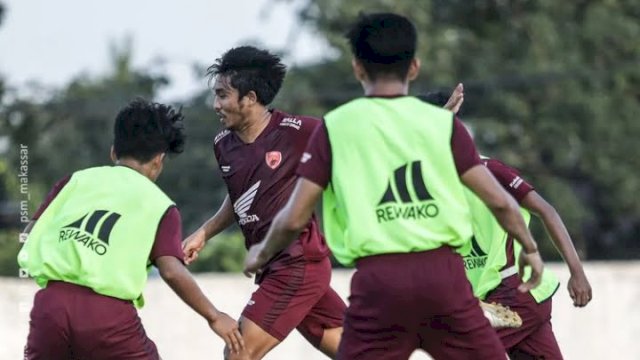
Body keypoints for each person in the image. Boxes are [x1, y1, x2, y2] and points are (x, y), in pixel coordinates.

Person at [244, 13, 545, 360]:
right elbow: (503, 203)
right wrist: (530, 249)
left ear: (357, 68)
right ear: (414, 67)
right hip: (444, 281)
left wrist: (262, 252)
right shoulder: (442, 125)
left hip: (379, 285)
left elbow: (294, 218)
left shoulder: (336, 128)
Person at [18, 99, 243, 360]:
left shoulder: (75, 181)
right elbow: (171, 271)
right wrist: (214, 316)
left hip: (50, 307)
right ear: (159, 160)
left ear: (114, 152)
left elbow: (31, 233)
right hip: (107, 316)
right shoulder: (160, 205)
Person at [181, 46, 346, 360]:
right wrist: (205, 232)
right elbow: (242, 196)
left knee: (238, 353)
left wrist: (428, 123)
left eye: (223, 95)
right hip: (277, 268)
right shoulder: (222, 144)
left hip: (297, 262)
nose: (216, 105)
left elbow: (362, 137)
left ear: (251, 98)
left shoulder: (300, 132)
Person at [421, 90, 593, 359]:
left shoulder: (489, 171)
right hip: (489, 300)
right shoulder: (427, 182)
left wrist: (577, 271)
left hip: (515, 292)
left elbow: (546, 211)